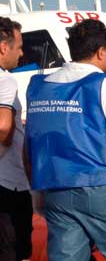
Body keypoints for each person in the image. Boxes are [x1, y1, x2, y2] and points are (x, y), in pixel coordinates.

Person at [24, 19, 106, 260]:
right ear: (100, 52)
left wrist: (36, 191)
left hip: (56, 190)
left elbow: (30, 146)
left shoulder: (38, 87)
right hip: (101, 186)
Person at [0, 18, 31, 261]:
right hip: (8, 185)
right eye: (19, 46)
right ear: (3, 47)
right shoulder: (6, 80)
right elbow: (3, 126)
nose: (21, 53)